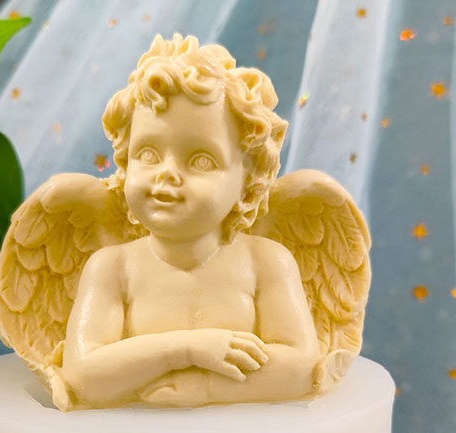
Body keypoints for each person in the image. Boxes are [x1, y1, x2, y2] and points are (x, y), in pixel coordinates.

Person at [61, 33, 320, 408]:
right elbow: (83, 375)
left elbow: (300, 366)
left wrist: (208, 389)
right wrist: (185, 350)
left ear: (248, 178)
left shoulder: (265, 263)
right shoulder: (112, 268)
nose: (167, 173)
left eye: (201, 160)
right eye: (147, 154)